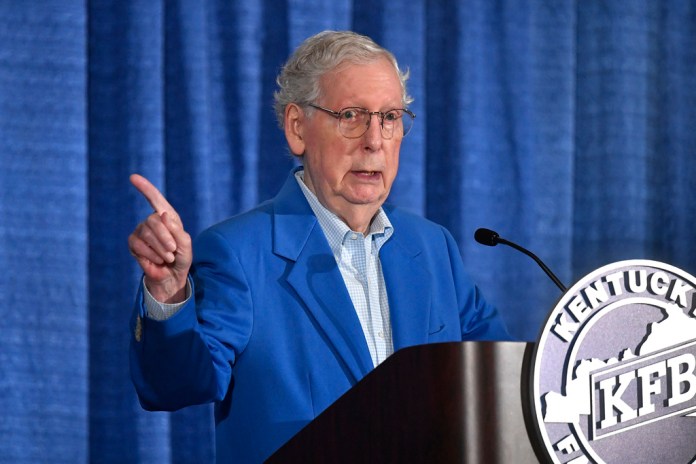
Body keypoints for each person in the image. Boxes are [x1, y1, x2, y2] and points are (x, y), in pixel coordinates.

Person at [128, 30, 510, 463]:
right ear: (297, 129)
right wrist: (168, 295)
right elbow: (175, 385)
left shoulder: (432, 247)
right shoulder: (239, 253)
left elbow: (502, 380)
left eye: (389, 117)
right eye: (351, 115)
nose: (375, 140)